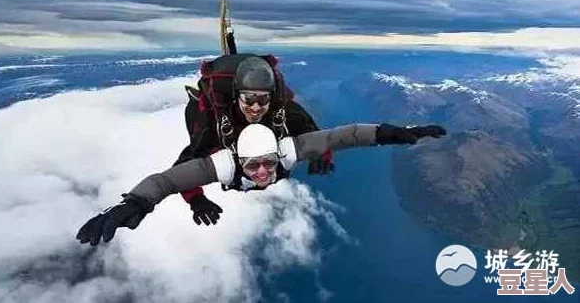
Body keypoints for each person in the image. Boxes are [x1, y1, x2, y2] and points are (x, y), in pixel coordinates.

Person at [76, 122, 447, 246]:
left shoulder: (288, 151)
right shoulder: (220, 166)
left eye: (268, 164)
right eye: (253, 167)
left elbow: (341, 136)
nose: (263, 174)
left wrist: (392, 133)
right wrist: (134, 203)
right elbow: (167, 179)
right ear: (238, 162)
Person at [176, 54, 334, 226]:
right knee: (197, 121)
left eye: (262, 99)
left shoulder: (286, 112)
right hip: (221, 133)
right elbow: (184, 167)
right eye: (249, 100)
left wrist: (322, 154)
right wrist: (196, 200)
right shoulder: (213, 126)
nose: (255, 108)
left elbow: (312, 132)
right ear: (237, 97)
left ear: (271, 97)